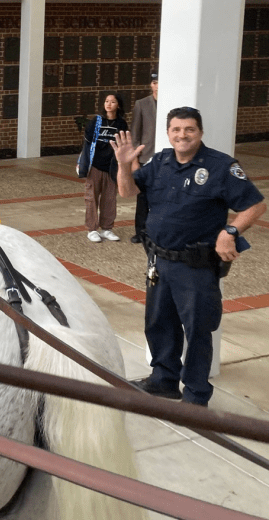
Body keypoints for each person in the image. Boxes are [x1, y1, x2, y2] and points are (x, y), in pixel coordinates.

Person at [112, 107, 266, 406]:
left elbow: (255, 206)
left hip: (196, 266)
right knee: (159, 323)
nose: (182, 135)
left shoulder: (221, 166)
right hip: (159, 261)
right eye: (176, 130)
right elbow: (127, 192)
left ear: (200, 132)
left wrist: (230, 232)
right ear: (168, 133)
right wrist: (123, 165)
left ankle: (195, 396)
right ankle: (163, 380)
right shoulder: (161, 161)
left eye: (189, 129)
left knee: (197, 330)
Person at [84, 93, 128, 242]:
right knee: (92, 198)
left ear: (118, 105)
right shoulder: (96, 121)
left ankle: (107, 229)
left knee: (109, 199)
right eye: (106, 101)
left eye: (113, 101)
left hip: (112, 167)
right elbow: (87, 142)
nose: (109, 104)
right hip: (95, 165)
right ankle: (92, 229)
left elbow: (124, 145)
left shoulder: (121, 124)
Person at [129, 71, 159, 243]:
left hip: (163, 156)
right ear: (151, 85)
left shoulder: (172, 101)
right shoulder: (141, 104)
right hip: (145, 157)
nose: (157, 86)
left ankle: (155, 230)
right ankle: (140, 231)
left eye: (160, 82)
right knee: (142, 197)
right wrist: (134, 160)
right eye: (155, 82)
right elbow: (135, 133)